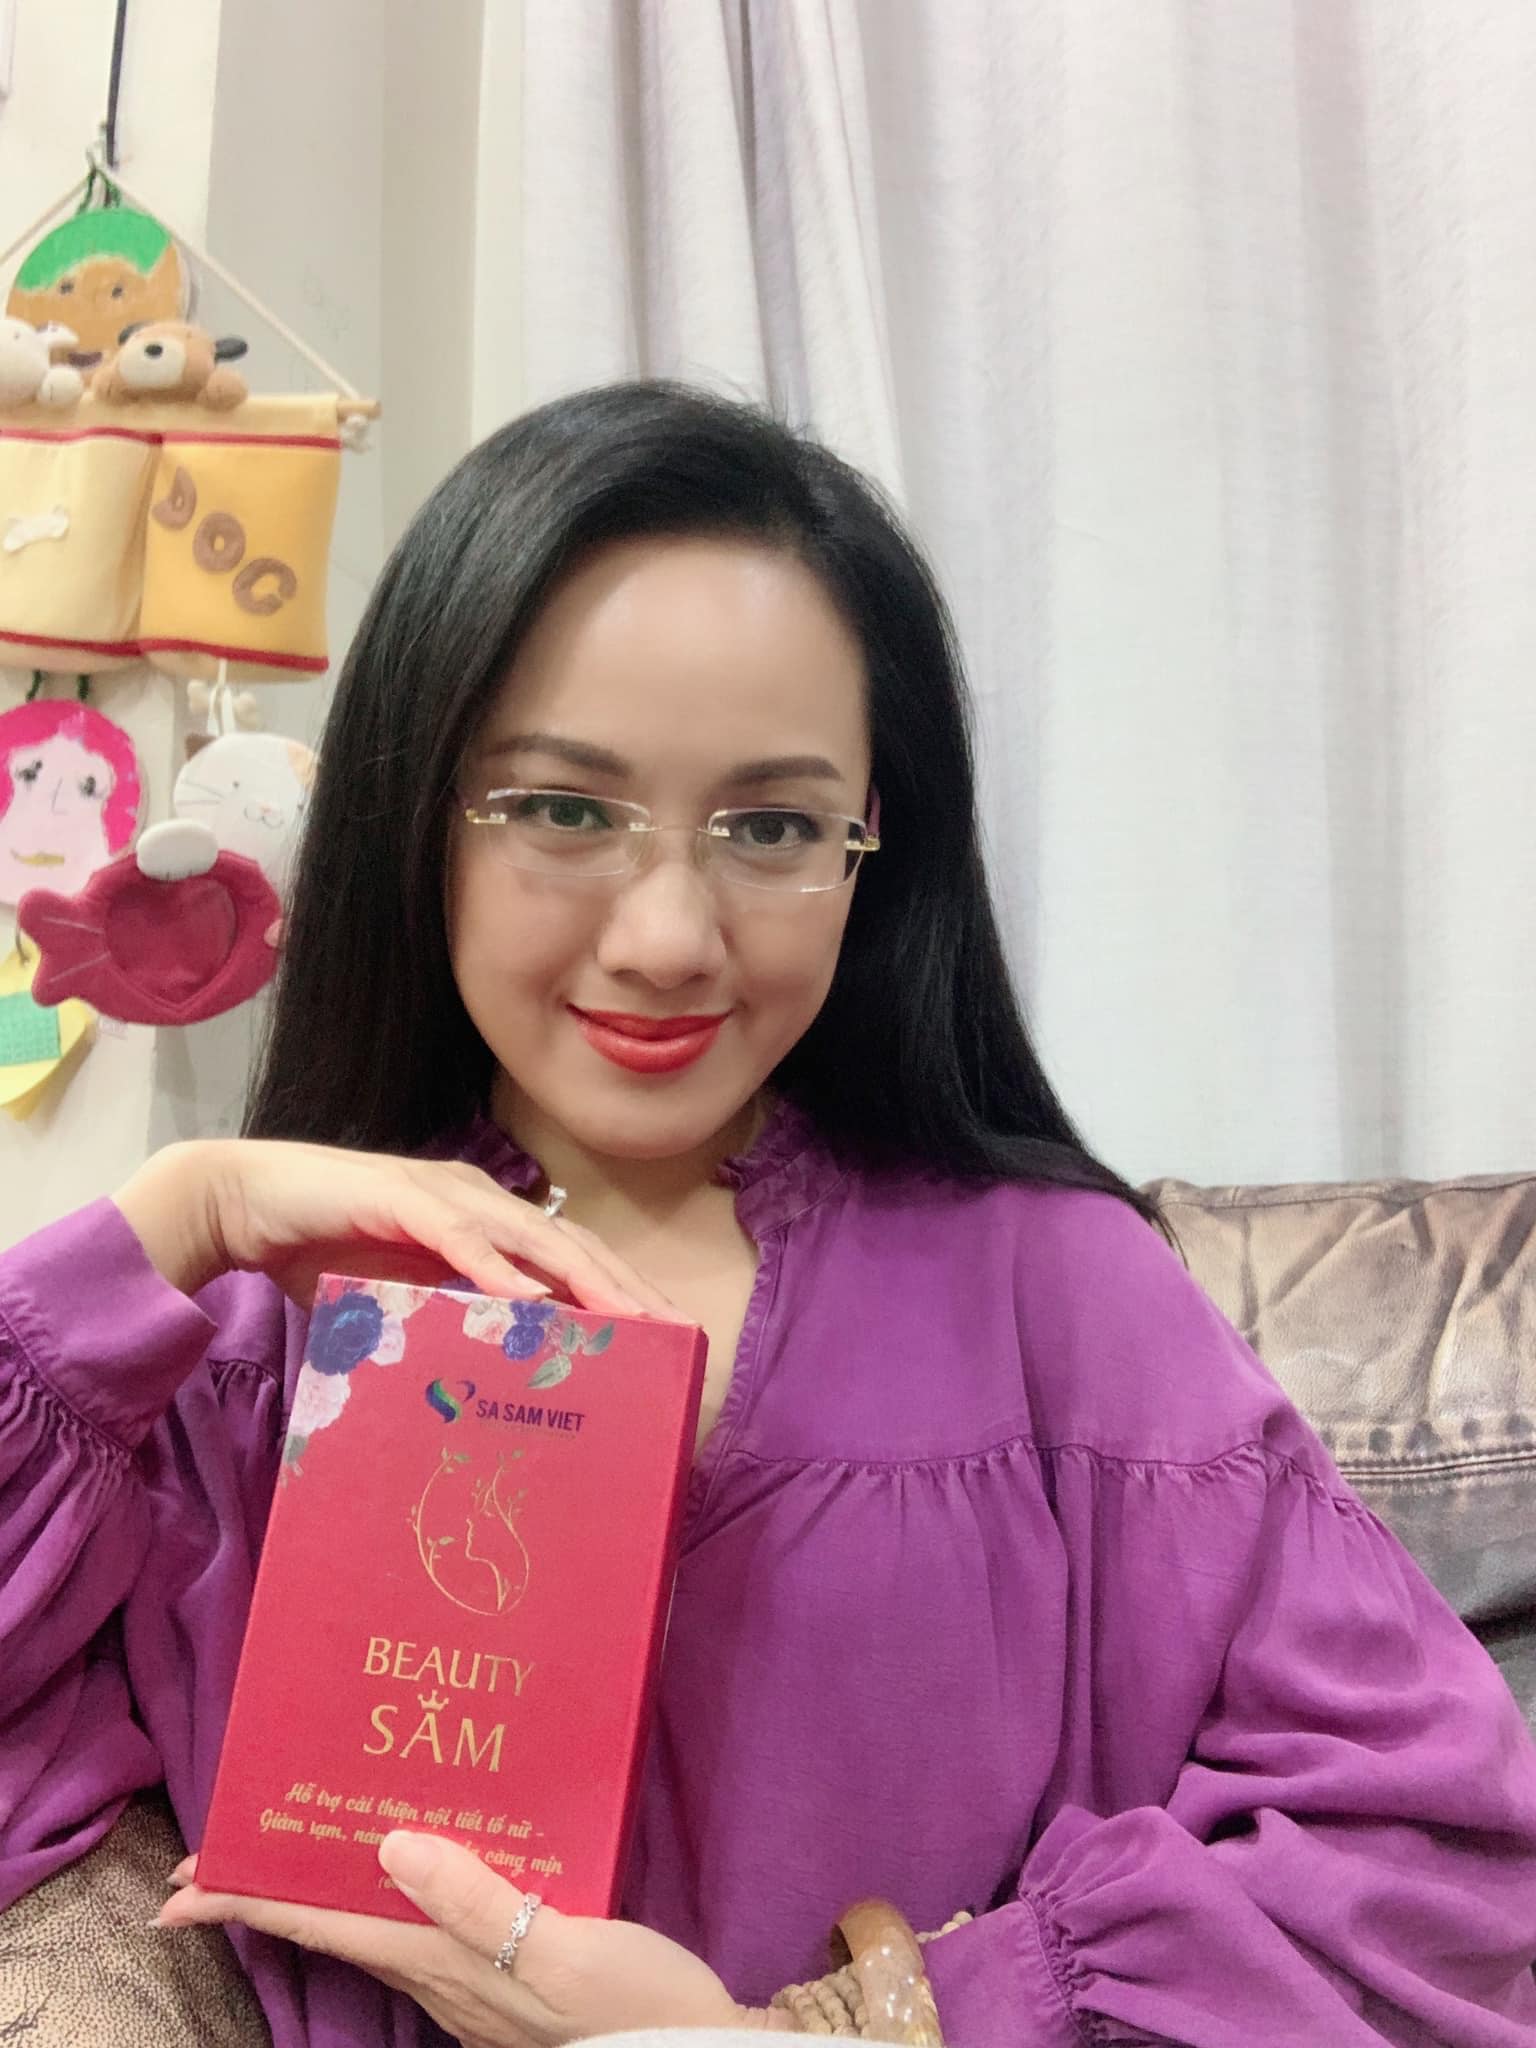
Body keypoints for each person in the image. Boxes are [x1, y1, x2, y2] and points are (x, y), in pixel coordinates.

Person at [2, 384, 1534, 2048]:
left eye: (775, 827)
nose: (668, 936)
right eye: (564, 809)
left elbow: (1437, 1863)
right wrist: (190, 1207)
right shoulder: (254, 1332)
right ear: (415, 814)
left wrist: (825, 2037)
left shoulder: (1066, 1302)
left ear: (879, 853)